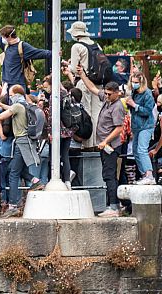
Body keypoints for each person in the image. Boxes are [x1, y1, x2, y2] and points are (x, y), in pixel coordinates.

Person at [0, 85, 44, 218]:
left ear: (16, 95)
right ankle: (34, 181)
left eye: (11, 95)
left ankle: (13, 206)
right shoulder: (23, 105)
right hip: (26, 142)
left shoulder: (17, 106)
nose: (10, 98)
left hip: (21, 143)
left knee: (13, 173)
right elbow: (10, 108)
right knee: (15, 168)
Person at [78, 67, 126, 217]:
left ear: (117, 93)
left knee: (109, 175)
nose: (107, 96)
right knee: (109, 175)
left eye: (109, 94)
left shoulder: (117, 107)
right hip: (104, 146)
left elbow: (119, 128)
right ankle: (117, 204)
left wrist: (105, 141)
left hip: (110, 146)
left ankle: (113, 206)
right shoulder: (107, 100)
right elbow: (92, 88)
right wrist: (82, 75)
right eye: (105, 93)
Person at [0, 12, 51, 93]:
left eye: (3, 37)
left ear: (9, 36)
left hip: (17, 86)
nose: (2, 39)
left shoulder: (22, 46)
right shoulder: (6, 46)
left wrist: (54, 54)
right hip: (6, 85)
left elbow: (39, 52)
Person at [68, 21, 102, 149]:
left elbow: (75, 69)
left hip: (84, 81)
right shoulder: (96, 45)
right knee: (96, 113)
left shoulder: (77, 46)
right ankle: (96, 143)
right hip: (97, 82)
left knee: (85, 112)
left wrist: (68, 67)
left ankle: (86, 144)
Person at [126, 73, 156, 185]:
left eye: (136, 82)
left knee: (142, 149)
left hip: (146, 126)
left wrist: (134, 105)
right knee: (135, 151)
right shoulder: (134, 92)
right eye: (132, 82)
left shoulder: (147, 93)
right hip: (136, 126)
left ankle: (149, 175)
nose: (134, 84)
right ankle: (144, 174)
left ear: (141, 82)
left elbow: (147, 111)